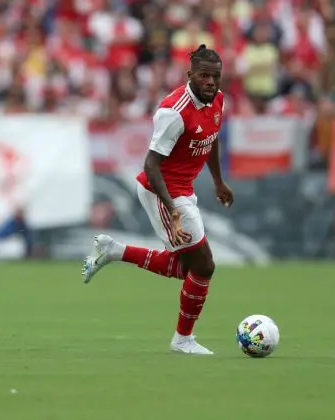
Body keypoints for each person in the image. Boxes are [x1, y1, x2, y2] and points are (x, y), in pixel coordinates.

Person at [82, 44, 234, 355]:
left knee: (186, 268)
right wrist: (172, 209)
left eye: (215, 76)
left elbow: (211, 138)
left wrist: (218, 181)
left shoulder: (216, 99)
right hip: (161, 190)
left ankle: (114, 251)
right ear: (189, 75)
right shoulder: (173, 112)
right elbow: (150, 165)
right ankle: (182, 340)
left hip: (183, 190)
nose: (210, 82)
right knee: (204, 265)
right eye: (204, 75)